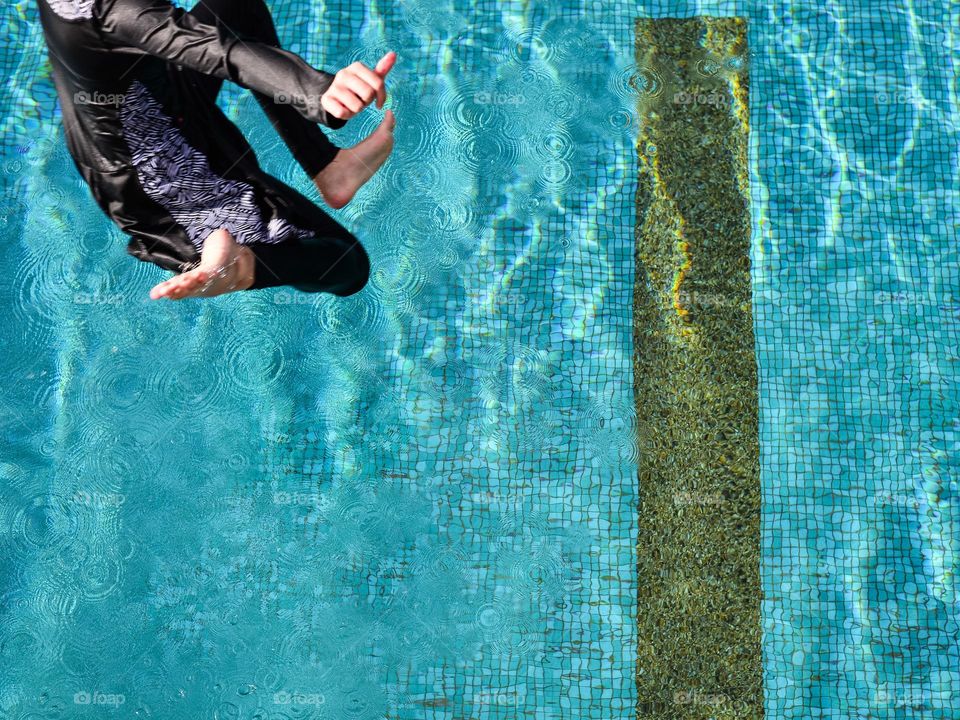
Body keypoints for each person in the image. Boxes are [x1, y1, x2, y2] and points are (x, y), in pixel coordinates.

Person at [37, 0, 396, 300]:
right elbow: (211, 49)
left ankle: (327, 165)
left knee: (238, 6)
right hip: (163, 176)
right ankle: (240, 268)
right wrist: (315, 90)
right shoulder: (116, 11)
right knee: (347, 264)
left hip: (156, 99)